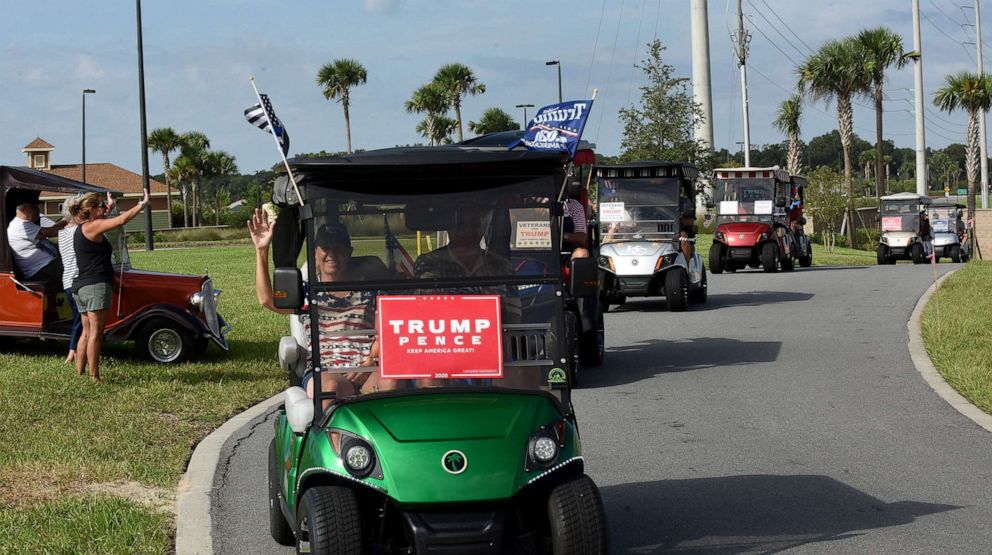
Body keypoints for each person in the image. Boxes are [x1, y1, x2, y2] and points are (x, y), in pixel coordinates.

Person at [248, 208, 397, 399]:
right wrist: (261, 251)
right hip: (325, 368)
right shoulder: (308, 291)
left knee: (392, 382)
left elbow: (387, 332)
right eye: (326, 248)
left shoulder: (369, 289)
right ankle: (331, 430)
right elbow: (267, 300)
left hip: (368, 367)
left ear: (349, 253)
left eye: (339, 249)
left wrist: (370, 363)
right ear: (315, 252)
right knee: (330, 387)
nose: (332, 254)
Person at [72, 190, 149, 382]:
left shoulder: (81, 226)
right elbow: (121, 221)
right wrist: (142, 204)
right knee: (96, 335)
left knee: (86, 332)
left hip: (81, 286)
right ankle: (94, 377)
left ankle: (80, 373)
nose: (103, 208)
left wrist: (109, 205)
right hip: (95, 286)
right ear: (91, 210)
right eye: (100, 206)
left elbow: (105, 214)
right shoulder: (94, 226)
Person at [7, 201, 67, 290]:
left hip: (45, 267)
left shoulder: (21, 225)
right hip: (42, 269)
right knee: (79, 267)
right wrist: (68, 219)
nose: (38, 211)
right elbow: (52, 232)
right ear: (25, 209)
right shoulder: (21, 225)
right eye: (34, 208)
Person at [59, 197, 84, 365]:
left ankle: (73, 350)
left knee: (78, 318)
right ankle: (72, 351)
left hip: (67, 280)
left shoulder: (63, 232)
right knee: (80, 319)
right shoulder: (77, 231)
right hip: (76, 280)